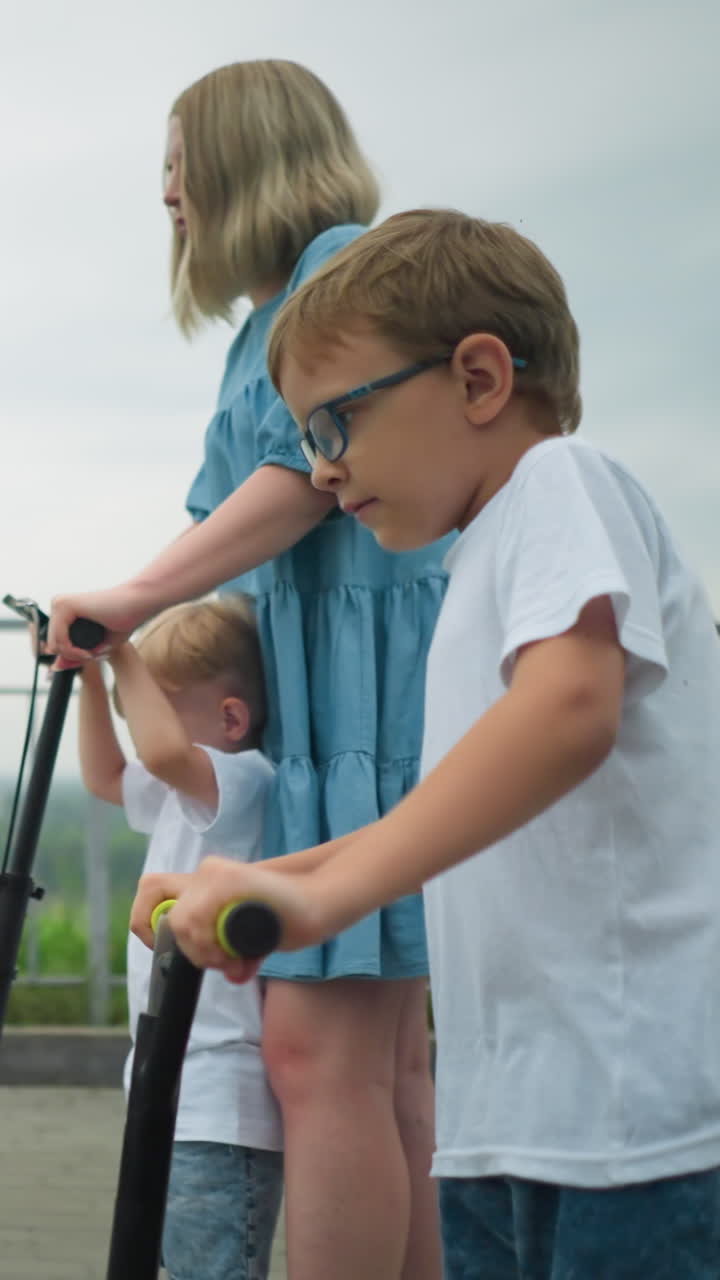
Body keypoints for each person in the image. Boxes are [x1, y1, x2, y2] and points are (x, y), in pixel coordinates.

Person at [132, 209, 720, 1280]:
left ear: (480, 379)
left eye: (334, 424)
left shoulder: (559, 484)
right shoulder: (475, 570)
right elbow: (438, 813)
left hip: (630, 1131)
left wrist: (329, 897)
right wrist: (263, 873)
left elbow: (571, 710)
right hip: (512, 1128)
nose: (322, 468)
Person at [48, 62, 447, 1280]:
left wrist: (131, 598)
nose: (168, 195)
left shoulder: (331, 275)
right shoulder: (275, 310)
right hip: (351, 702)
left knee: (320, 1057)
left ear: (236, 163)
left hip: (356, 696)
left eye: (180, 165)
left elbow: (284, 492)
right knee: (385, 1066)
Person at [78, 596, 283, 1280]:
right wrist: (84, 675)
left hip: (221, 1099)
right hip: (171, 1083)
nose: (142, 729)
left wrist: (119, 646)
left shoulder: (241, 779)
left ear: (230, 718)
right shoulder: (181, 794)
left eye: (155, 707)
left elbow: (163, 751)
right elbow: (107, 778)